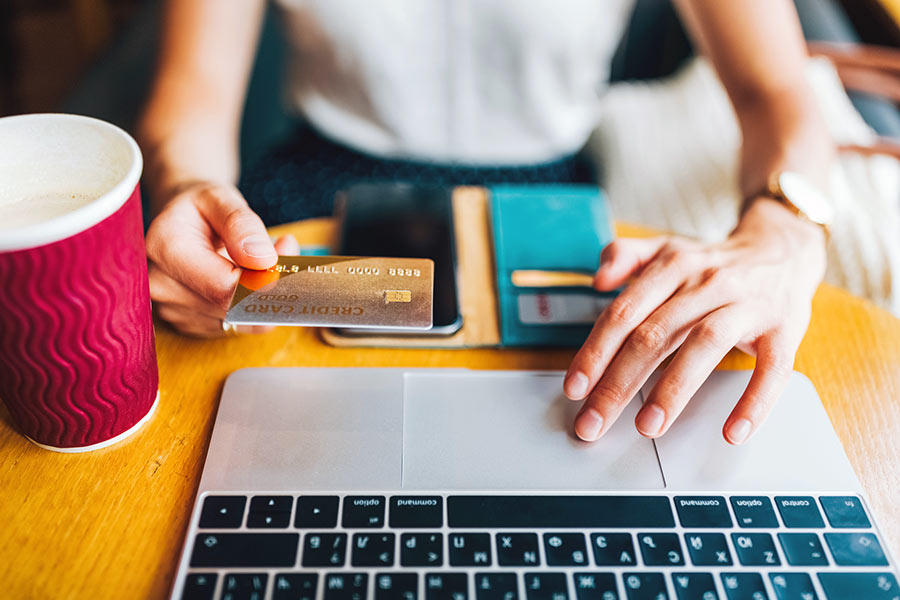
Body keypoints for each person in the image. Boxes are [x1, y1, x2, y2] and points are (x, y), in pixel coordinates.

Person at [139, 0, 833, 446]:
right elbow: (193, 87)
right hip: (315, 193)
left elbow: (776, 89)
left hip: (544, 198)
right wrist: (192, 189)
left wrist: (785, 230)